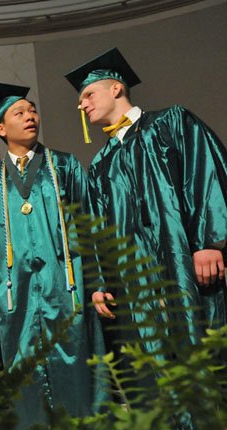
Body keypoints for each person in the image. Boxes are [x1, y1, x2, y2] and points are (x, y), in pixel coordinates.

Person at [65, 47, 227, 351]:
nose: (82, 105)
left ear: (116, 88)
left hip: (187, 265)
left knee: (204, 355)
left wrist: (209, 243)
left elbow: (205, 175)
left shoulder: (171, 123)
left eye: (88, 95)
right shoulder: (101, 163)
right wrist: (100, 283)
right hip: (136, 284)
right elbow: (98, 231)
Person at [0, 83, 108, 430]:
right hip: (15, 295)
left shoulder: (63, 166)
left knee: (76, 368)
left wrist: (96, 283)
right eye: (19, 113)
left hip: (65, 288)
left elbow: (89, 225)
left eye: (32, 110)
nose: (30, 116)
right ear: (1, 129)